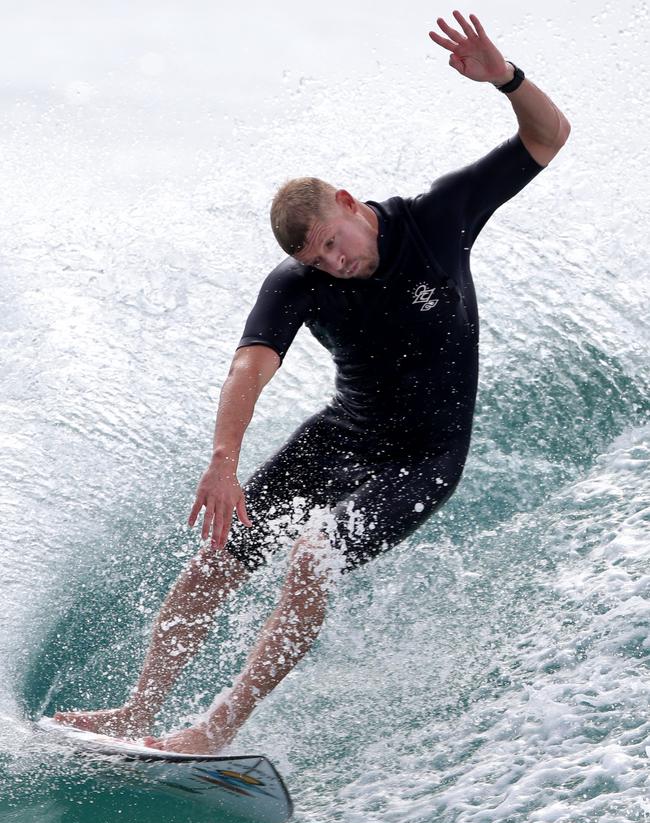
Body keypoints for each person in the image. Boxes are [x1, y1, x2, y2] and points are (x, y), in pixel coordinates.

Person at [55, 11, 570, 753]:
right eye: (318, 258)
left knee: (313, 553)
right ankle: (138, 711)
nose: (334, 262)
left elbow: (548, 137)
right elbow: (248, 367)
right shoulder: (296, 284)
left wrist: (508, 80)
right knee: (219, 556)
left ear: (352, 205)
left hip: (424, 457)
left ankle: (215, 728)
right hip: (344, 434)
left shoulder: (436, 219)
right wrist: (223, 460)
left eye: (335, 242)